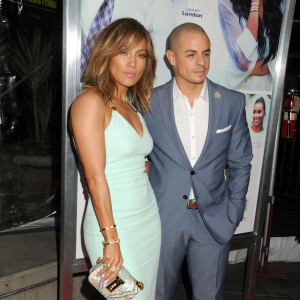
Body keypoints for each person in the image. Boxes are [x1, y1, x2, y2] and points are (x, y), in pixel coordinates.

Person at [144, 23, 253, 300]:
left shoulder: (231, 102)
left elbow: (240, 163)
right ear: (171, 58)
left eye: (206, 53)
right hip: (163, 218)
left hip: (213, 220)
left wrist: (235, 210)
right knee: (156, 295)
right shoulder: (147, 103)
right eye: (191, 54)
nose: (201, 62)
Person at [70, 18, 161, 299]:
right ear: (106, 54)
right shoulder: (89, 102)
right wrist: (111, 239)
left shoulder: (132, 105)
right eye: (124, 52)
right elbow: (95, 177)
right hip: (112, 228)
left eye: (141, 55)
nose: (133, 63)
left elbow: (138, 160)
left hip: (147, 221)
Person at [218, 0, 285, 92]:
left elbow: (282, 61)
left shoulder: (280, 4)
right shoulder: (227, 3)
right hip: (237, 89)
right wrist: (255, 6)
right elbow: (243, 62)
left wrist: (253, 70)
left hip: (267, 90)